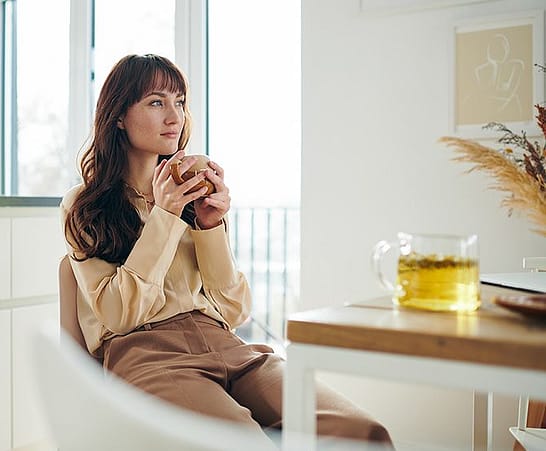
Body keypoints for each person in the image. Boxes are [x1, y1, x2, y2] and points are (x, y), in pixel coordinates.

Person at [60, 53, 393, 447]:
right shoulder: (86, 205)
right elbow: (117, 315)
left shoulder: (190, 194)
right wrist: (164, 217)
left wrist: (210, 225)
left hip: (227, 346)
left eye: (179, 102)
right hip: (147, 356)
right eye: (156, 102)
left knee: (362, 434)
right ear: (118, 116)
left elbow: (234, 311)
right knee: (246, 444)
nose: (174, 117)